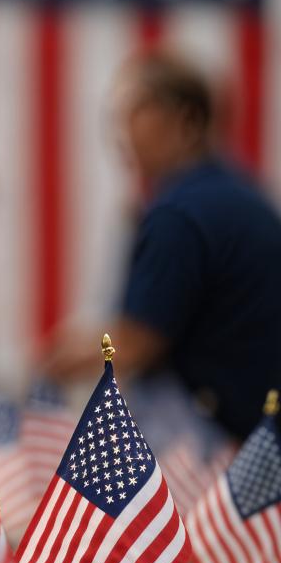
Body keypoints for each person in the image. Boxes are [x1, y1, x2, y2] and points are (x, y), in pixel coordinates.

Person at [45, 51, 281, 442]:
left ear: (186, 121)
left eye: (138, 111)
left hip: (218, 437)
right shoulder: (238, 194)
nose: (123, 132)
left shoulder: (180, 213)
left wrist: (55, 363)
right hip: (259, 427)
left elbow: (136, 343)